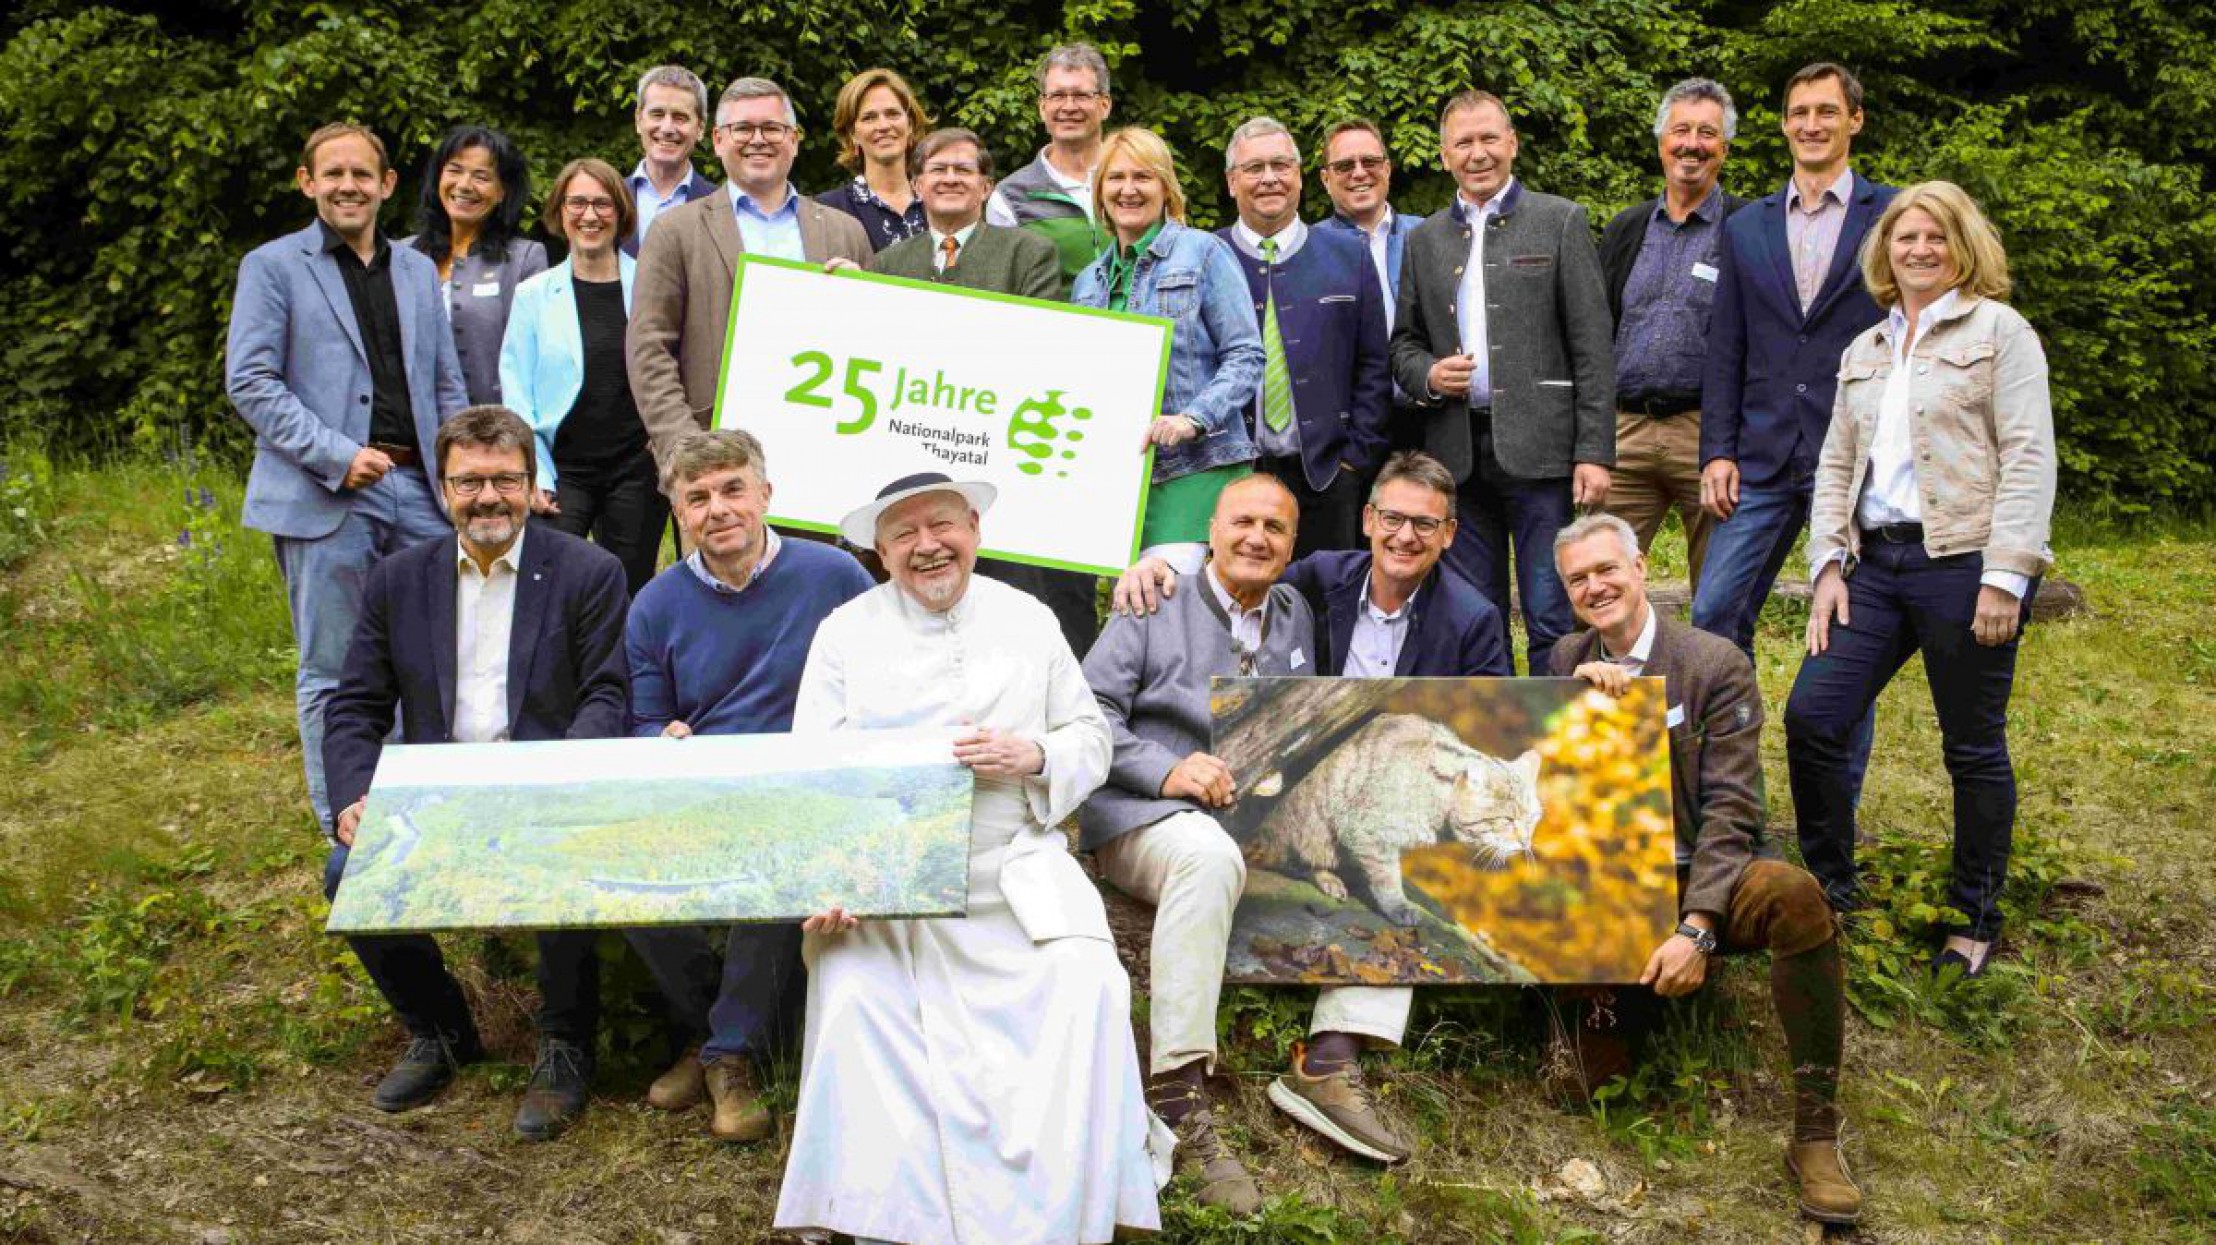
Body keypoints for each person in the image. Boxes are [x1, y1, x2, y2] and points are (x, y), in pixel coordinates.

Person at [774, 473, 1163, 1245]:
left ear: (975, 530)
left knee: (1088, 982)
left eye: (942, 524)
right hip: (890, 883)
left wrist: (1033, 753)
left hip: (1016, 867)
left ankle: (1062, 1206)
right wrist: (835, 881)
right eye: (905, 534)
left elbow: (1088, 736)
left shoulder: (1030, 617)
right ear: (879, 551)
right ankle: (894, 1218)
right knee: (856, 993)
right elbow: (812, 773)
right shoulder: (844, 632)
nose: (928, 545)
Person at [1083, 475, 1415, 1213]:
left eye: (1275, 527)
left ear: (1293, 545)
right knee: (1205, 856)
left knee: (1391, 868)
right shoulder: (1153, 600)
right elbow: (1085, 713)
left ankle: (1330, 1058)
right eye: (1243, 522)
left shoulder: (1294, 614)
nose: (1257, 537)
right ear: (1212, 531)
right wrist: (1167, 768)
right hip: (1146, 818)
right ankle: (1176, 1096)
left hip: (1248, 830)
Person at [320, 406, 630, 1140]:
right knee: (346, 872)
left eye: (505, 480)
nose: (488, 497)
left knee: (560, 855)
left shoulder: (589, 571)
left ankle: (564, 1042)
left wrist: (560, 777)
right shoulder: (400, 580)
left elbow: (608, 692)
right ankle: (441, 1031)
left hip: (549, 788)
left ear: (532, 483)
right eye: (469, 482)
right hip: (442, 795)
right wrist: (355, 797)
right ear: (443, 484)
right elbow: (355, 704)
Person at [1547, 512, 1860, 1228]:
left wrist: (1700, 927)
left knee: (1796, 893)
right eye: (1578, 578)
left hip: (1700, 871)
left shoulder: (1712, 662)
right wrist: (1574, 702)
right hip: (1615, 884)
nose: (1595, 586)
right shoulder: (1564, 658)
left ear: (1640, 564)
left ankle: (1815, 1130)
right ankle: (1603, 1015)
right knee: (1588, 1089)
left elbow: (1732, 810)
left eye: (1606, 568)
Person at [1786, 182, 2054, 976]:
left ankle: (1972, 918)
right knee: (1813, 715)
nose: (1920, 250)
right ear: (1885, 252)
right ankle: (1831, 892)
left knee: (1971, 745)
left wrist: (2006, 576)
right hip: (1874, 565)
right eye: (1905, 238)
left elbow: (2030, 455)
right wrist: (1828, 562)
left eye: (1936, 236)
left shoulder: (2000, 332)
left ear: (1963, 245)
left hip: (1965, 562)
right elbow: (1836, 462)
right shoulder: (1865, 349)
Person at [620, 429, 873, 1141]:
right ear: (677, 509)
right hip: (702, 791)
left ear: (766, 494)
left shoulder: (836, 577)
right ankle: (717, 1033)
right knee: (624, 886)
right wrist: (659, 740)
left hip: (809, 791)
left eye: (734, 489)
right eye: (697, 497)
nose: (718, 508)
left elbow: (878, 681)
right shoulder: (655, 604)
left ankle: (727, 1057)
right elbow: (643, 718)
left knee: (778, 857)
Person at [226, 122, 467, 833]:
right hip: (326, 491)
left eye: (362, 174)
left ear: (387, 185)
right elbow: (251, 381)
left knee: (435, 654)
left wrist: (456, 472)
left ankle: (427, 812)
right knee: (335, 667)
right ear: (307, 182)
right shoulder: (272, 266)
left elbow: (445, 381)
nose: (347, 186)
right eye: (332, 174)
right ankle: (350, 826)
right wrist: (337, 454)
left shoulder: (419, 270)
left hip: (420, 487)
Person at [1388, 90, 1615, 673]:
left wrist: (1594, 452)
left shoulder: (1560, 220)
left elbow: (1592, 347)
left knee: (1550, 610)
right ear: (1443, 155)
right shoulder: (1424, 239)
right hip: (1456, 456)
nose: (1478, 152)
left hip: (1543, 453)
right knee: (1475, 613)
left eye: (1490, 138)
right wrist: (1432, 375)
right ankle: (1497, 746)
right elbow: (1404, 344)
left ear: (1512, 143)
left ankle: (1556, 735)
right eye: (1463, 142)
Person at [868, 127, 1098, 655]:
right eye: (937, 170)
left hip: (1015, 464)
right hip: (921, 465)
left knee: (1035, 610)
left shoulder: (1027, 253)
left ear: (987, 187)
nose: (950, 179)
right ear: (918, 184)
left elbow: (1032, 341)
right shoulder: (888, 265)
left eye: (963, 170)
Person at [1693, 63, 1896, 658]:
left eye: (1827, 112)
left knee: (1848, 624)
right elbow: (1726, 346)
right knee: (1714, 612)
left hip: (1858, 449)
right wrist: (1717, 451)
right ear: (1784, 124)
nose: (1812, 125)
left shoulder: (1892, 217)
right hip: (1763, 454)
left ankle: (1832, 746)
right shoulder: (1746, 226)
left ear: (1854, 121)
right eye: (1800, 113)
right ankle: (1734, 747)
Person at [629, 76, 872, 475]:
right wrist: (682, 449)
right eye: (743, 128)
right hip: (713, 457)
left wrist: (864, 301)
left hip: (824, 455)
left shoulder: (844, 232)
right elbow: (649, 350)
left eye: (772, 128)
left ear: (794, 140)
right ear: (719, 139)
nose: (758, 139)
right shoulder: (674, 230)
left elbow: (872, 347)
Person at [1112, 451, 1509, 680]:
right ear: (1368, 520)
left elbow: (1494, 725)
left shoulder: (1473, 619)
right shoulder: (1322, 578)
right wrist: (1163, 570)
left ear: (1449, 533)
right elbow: (1241, 574)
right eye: (1392, 519)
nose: (1405, 537)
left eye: (1424, 524)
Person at [1069, 127, 1264, 574]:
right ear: (1100, 193)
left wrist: (1194, 418)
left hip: (1198, 473)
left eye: (1144, 177)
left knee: (1179, 611)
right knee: (1136, 621)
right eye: (1116, 178)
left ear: (1165, 187)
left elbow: (1246, 355)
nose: (1129, 189)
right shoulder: (1088, 282)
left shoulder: (1204, 254)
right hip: (1122, 483)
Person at [1216, 117, 1391, 556]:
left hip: (1328, 477)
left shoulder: (1349, 253)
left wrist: (1353, 462)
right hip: (1232, 476)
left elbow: (1373, 364)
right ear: (1232, 182)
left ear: (1300, 177)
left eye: (1281, 165)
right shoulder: (1206, 255)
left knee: (1325, 610)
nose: (1270, 178)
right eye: (1255, 168)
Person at [1598, 78, 1748, 587]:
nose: (1692, 144)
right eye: (1680, 130)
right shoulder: (1627, 228)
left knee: (1718, 594)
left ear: (1724, 148)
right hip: (1625, 434)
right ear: (1661, 141)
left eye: (1707, 133)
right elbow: (1596, 331)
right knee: (1601, 579)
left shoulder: (1748, 230)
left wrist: (1730, 441)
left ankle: (1714, 670)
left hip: (1706, 435)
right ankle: (1604, 671)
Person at [500, 159, 664, 596]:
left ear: (621, 212)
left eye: (602, 203)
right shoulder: (533, 295)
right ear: (560, 211)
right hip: (562, 468)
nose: (589, 215)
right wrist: (533, 472)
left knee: (629, 590)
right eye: (577, 203)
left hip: (636, 467)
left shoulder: (651, 283)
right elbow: (516, 391)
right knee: (554, 589)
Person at [403, 125, 548, 405]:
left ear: (502, 192)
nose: (464, 185)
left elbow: (535, 359)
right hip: (413, 431)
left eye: (481, 176)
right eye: (454, 170)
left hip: (490, 431)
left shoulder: (524, 259)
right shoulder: (403, 254)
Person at [1315, 118, 1428, 454]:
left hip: (1429, 419)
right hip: (1348, 430)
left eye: (1371, 162)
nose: (1359, 173)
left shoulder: (1427, 236)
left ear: (1388, 169)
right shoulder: (1309, 249)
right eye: (1345, 165)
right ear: (1325, 179)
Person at [985, 43, 1114, 291]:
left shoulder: (1138, 183)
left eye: (1080, 95)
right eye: (1057, 96)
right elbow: (1005, 290)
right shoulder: (1010, 198)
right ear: (1043, 108)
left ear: (1104, 105)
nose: (1068, 107)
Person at [815, 68, 932, 253]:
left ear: (909, 125)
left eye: (892, 113)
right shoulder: (828, 210)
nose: (883, 126)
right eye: (869, 117)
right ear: (853, 134)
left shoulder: (937, 199)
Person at [625, 65, 719, 257]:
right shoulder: (608, 199)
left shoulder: (722, 208)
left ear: (700, 128)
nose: (667, 128)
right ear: (638, 121)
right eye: (657, 114)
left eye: (680, 117)